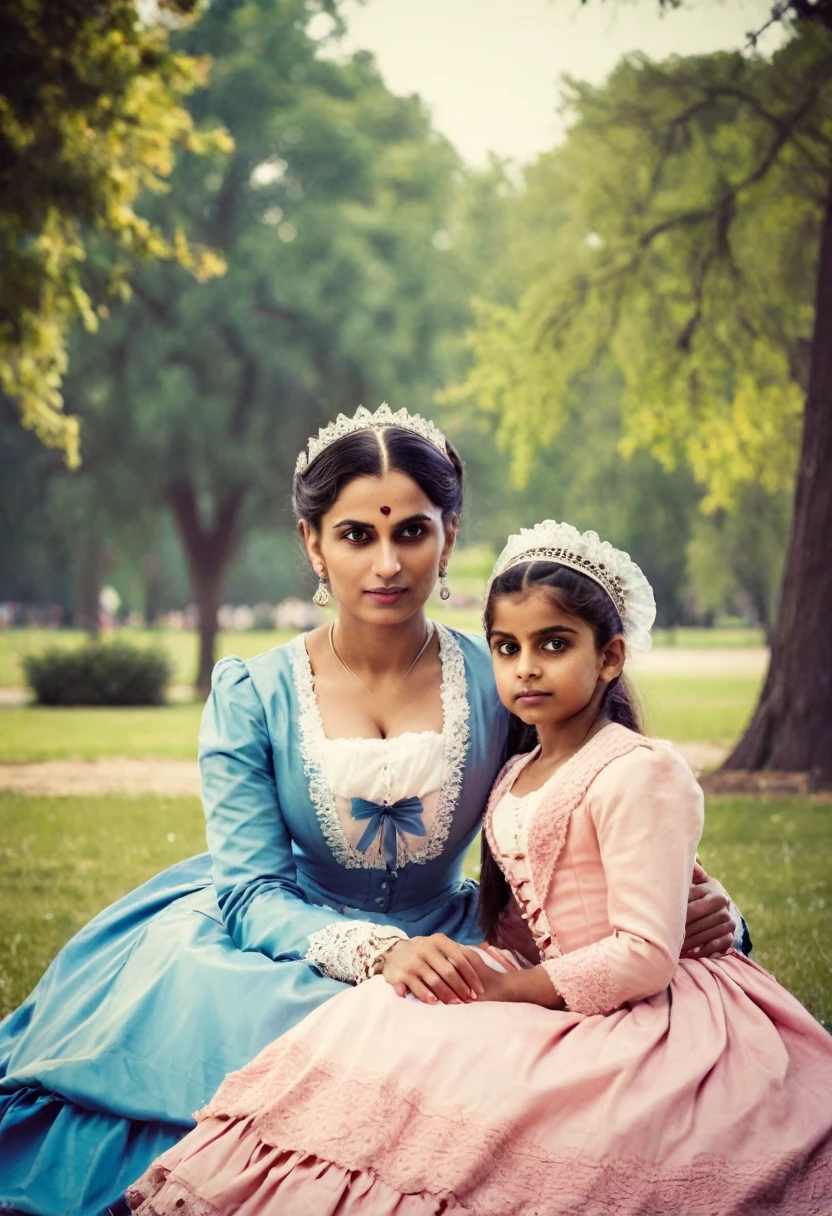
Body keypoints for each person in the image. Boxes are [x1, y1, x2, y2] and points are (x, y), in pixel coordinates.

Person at [0, 414, 740, 1216]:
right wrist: (377, 952)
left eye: (413, 532)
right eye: (356, 534)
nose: (387, 563)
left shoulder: (501, 673)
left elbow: (589, 796)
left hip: (455, 936)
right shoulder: (255, 693)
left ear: (449, 538)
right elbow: (248, 891)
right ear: (314, 544)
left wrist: (691, 899)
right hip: (278, 940)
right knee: (325, 1039)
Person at [126, 519, 832, 1216]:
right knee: (376, 1018)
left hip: (635, 997)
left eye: (552, 645)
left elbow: (641, 922)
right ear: (312, 542)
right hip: (489, 959)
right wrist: (482, 967)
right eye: (507, 647)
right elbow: (535, 896)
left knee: (475, 1067)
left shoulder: (628, 764)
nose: (525, 667)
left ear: (610, 657)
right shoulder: (517, 763)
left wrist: (715, 912)